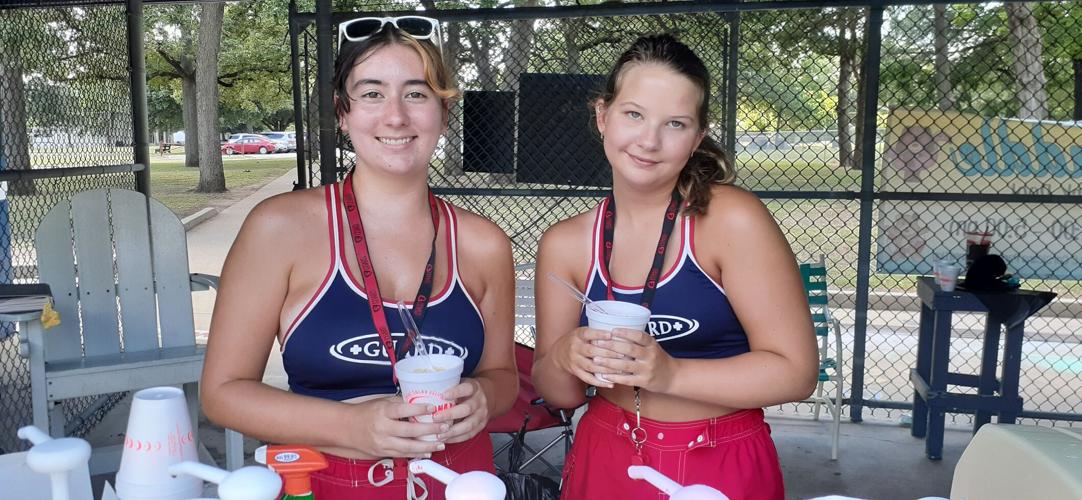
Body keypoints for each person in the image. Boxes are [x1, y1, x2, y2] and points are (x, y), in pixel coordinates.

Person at [201, 16, 517, 499]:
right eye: (372, 93)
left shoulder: (483, 243)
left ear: (443, 112)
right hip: (323, 481)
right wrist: (352, 426)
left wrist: (483, 399)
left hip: (457, 481)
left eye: (416, 93)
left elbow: (503, 378)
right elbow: (223, 393)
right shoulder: (280, 228)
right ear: (342, 112)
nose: (396, 116)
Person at [532, 34, 818, 500]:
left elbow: (796, 372)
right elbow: (559, 393)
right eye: (634, 114)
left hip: (719, 454)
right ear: (602, 116)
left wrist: (671, 375)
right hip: (606, 450)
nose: (649, 140)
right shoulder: (566, 242)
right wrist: (566, 355)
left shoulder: (731, 219)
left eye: (675, 123)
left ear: (698, 137)